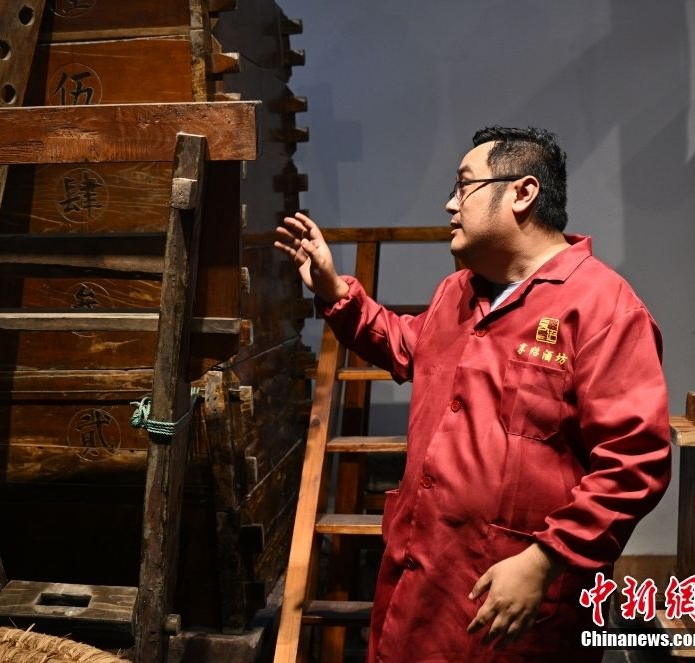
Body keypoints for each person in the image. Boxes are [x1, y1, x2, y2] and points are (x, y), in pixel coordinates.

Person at [274, 127, 672, 662]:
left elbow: (635, 461)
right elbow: (407, 345)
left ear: (523, 193)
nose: (449, 203)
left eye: (464, 186)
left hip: (509, 607)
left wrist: (545, 560)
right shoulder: (457, 292)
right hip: (422, 586)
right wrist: (333, 291)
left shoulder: (603, 308)